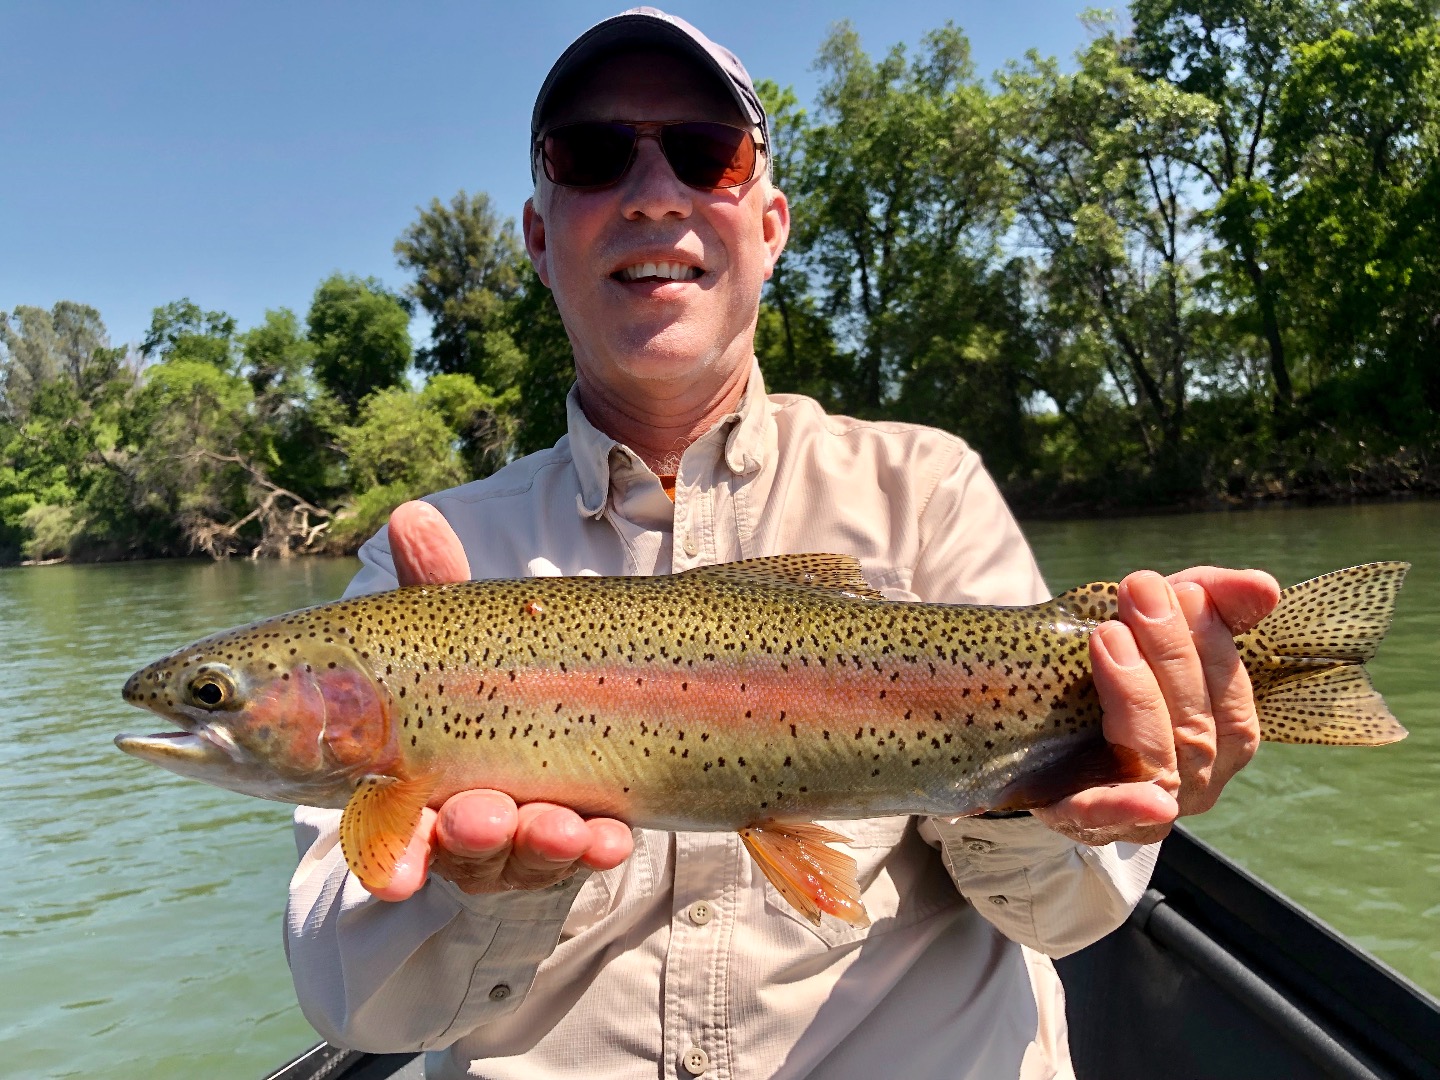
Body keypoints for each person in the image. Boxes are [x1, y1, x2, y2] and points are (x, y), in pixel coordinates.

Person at [286, 10, 1280, 1078]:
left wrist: (1074, 788)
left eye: (709, 155)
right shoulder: (419, 571)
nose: (653, 191)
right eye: (594, 153)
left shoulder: (928, 488)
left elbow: (1062, 915)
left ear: (771, 226)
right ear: (538, 235)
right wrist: (467, 884)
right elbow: (359, 1009)